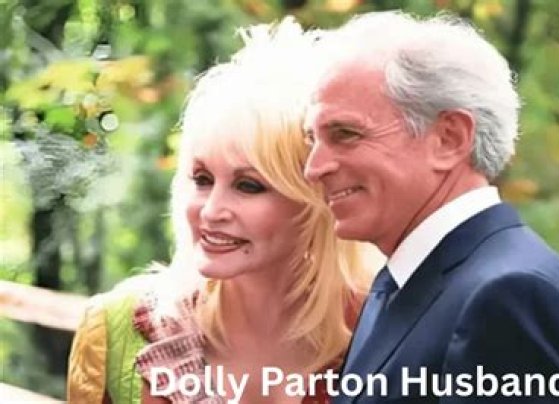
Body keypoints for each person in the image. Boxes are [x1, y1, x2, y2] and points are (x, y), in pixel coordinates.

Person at [302, 11, 559, 403]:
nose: (314, 168)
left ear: (449, 139)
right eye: (312, 139)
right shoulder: (407, 280)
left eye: (345, 134)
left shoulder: (508, 295)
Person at [67, 18, 373, 404]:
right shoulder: (116, 331)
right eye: (202, 179)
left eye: (248, 185)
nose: (211, 211)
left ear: (316, 198)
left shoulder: (383, 333)